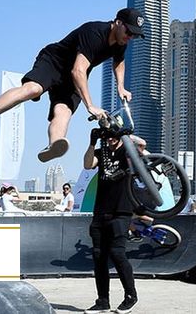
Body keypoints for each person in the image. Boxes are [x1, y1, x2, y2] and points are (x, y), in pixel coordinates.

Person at [0, 8, 145, 163]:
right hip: (54, 62)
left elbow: (118, 62)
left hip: (73, 76)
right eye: (129, 32)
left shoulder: (121, 42)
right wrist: (90, 105)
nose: (130, 38)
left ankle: (54, 144)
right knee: (33, 89)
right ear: (118, 23)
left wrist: (120, 86)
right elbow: (78, 71)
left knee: (63, 111)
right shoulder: (95, 32)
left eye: (134, 36)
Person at [83, 129, 137, 314]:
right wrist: (93, 143)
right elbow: (88, 163)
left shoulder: (128, 151)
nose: (110, 139)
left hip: (121, 211)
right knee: (99, 257)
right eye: (107, 137)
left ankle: (130, 296)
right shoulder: (102, 151)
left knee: (117, 253)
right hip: (100, 212)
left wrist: (124, 134)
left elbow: (143, 145)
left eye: (114, 136)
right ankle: (103, 301)